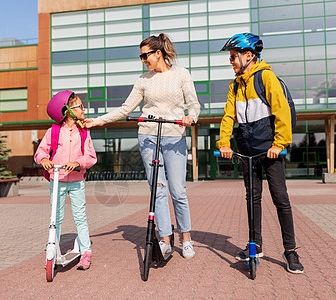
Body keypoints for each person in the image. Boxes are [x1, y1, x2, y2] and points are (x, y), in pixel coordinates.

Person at [85, 33, 200, 259]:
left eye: (145, 55)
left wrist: (191, 117)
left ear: (158, 53)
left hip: (175, 136)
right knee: (157, 190)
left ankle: (186, 237)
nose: (143, 59)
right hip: (148, 136)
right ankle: (165, 238)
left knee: (177, 191)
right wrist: (97, 121)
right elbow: (125, 109)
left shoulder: (181, 75)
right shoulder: (143, 80)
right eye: (141, 56)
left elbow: (194, 104)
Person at [216, 33, 304, 274]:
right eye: (231, 57)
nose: (231, 61)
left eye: (233, 56)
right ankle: (256, 245)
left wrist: (279, 144)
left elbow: (282, 113)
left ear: (249, 56)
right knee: (252, 198)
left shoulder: (266, 78)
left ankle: (290, 251)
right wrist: (225, 143)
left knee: (280, 199)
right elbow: (228, 117)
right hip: (246, 150)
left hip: (271, 150)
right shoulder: (235, 85)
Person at [34, 91, 97, 270]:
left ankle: (86, 252)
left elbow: (91, 157)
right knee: (56, 218)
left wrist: (78, 163)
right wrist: (44, 160)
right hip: (57, 180)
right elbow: (40, 152)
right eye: (80, 106)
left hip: (76, 181)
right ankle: (53, 249)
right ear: (68, 110)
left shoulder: (84, 132)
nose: (84, 109)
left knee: (80, 217)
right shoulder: (53, 131)